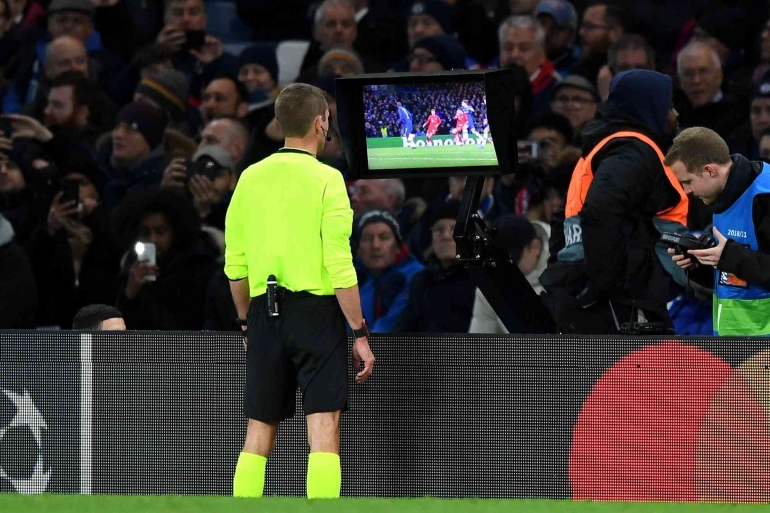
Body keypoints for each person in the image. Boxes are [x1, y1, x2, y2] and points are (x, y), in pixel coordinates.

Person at [224, 83, 375, 499]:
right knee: (323, 425)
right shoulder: (328, 179)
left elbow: (235, 266)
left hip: (261, 311)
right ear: (320, 122)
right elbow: (339, 265)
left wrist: (245, 322)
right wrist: (359, 333)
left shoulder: (249, 178)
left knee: (259, 430)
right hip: (316, 313)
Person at [540, 69, 690, 334]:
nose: (675, 115)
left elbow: (560, 216)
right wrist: (601, 283)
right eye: (668, 106)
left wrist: (564, 272)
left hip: (586, 294)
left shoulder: (599, 148)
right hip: (620, 307)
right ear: (649, 109)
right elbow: (601, 210)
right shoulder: (633, 151)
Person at [666, 127, 770, 336]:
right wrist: (699, 265)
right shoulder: (721, 196)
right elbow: (733, 280)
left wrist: (728, 255)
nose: (686, 191)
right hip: (731, 343)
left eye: (688, 182)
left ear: (710, 171)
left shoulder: (764, 195)